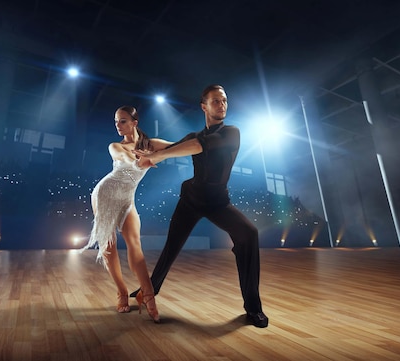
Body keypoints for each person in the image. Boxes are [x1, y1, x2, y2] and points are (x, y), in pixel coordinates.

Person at [130, 85, 269, 328]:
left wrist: (158, 157)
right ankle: (149, 290)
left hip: (218, 202)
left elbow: (196, 147)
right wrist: (142, 143)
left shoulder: (231, 133)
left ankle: (253, 309)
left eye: (224, 100)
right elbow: (167, 144)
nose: (222, 104)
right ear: (204, 106)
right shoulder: (195, 136)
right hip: (192, 199)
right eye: (216, 101)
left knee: (249, 235)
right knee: (171, 247)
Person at [82, 105, 172, 323]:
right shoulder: (115, 146)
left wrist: (204, 143)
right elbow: (122, 158)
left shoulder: (152, 144)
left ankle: (148, 296)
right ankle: (122, 292)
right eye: (115, 121)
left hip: (127, 199)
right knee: (108, 245)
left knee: (134, 243)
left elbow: (178, 147)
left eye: (122, 121)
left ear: (134, 122)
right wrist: (141, 160)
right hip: (105, 194)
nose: (118, 125)